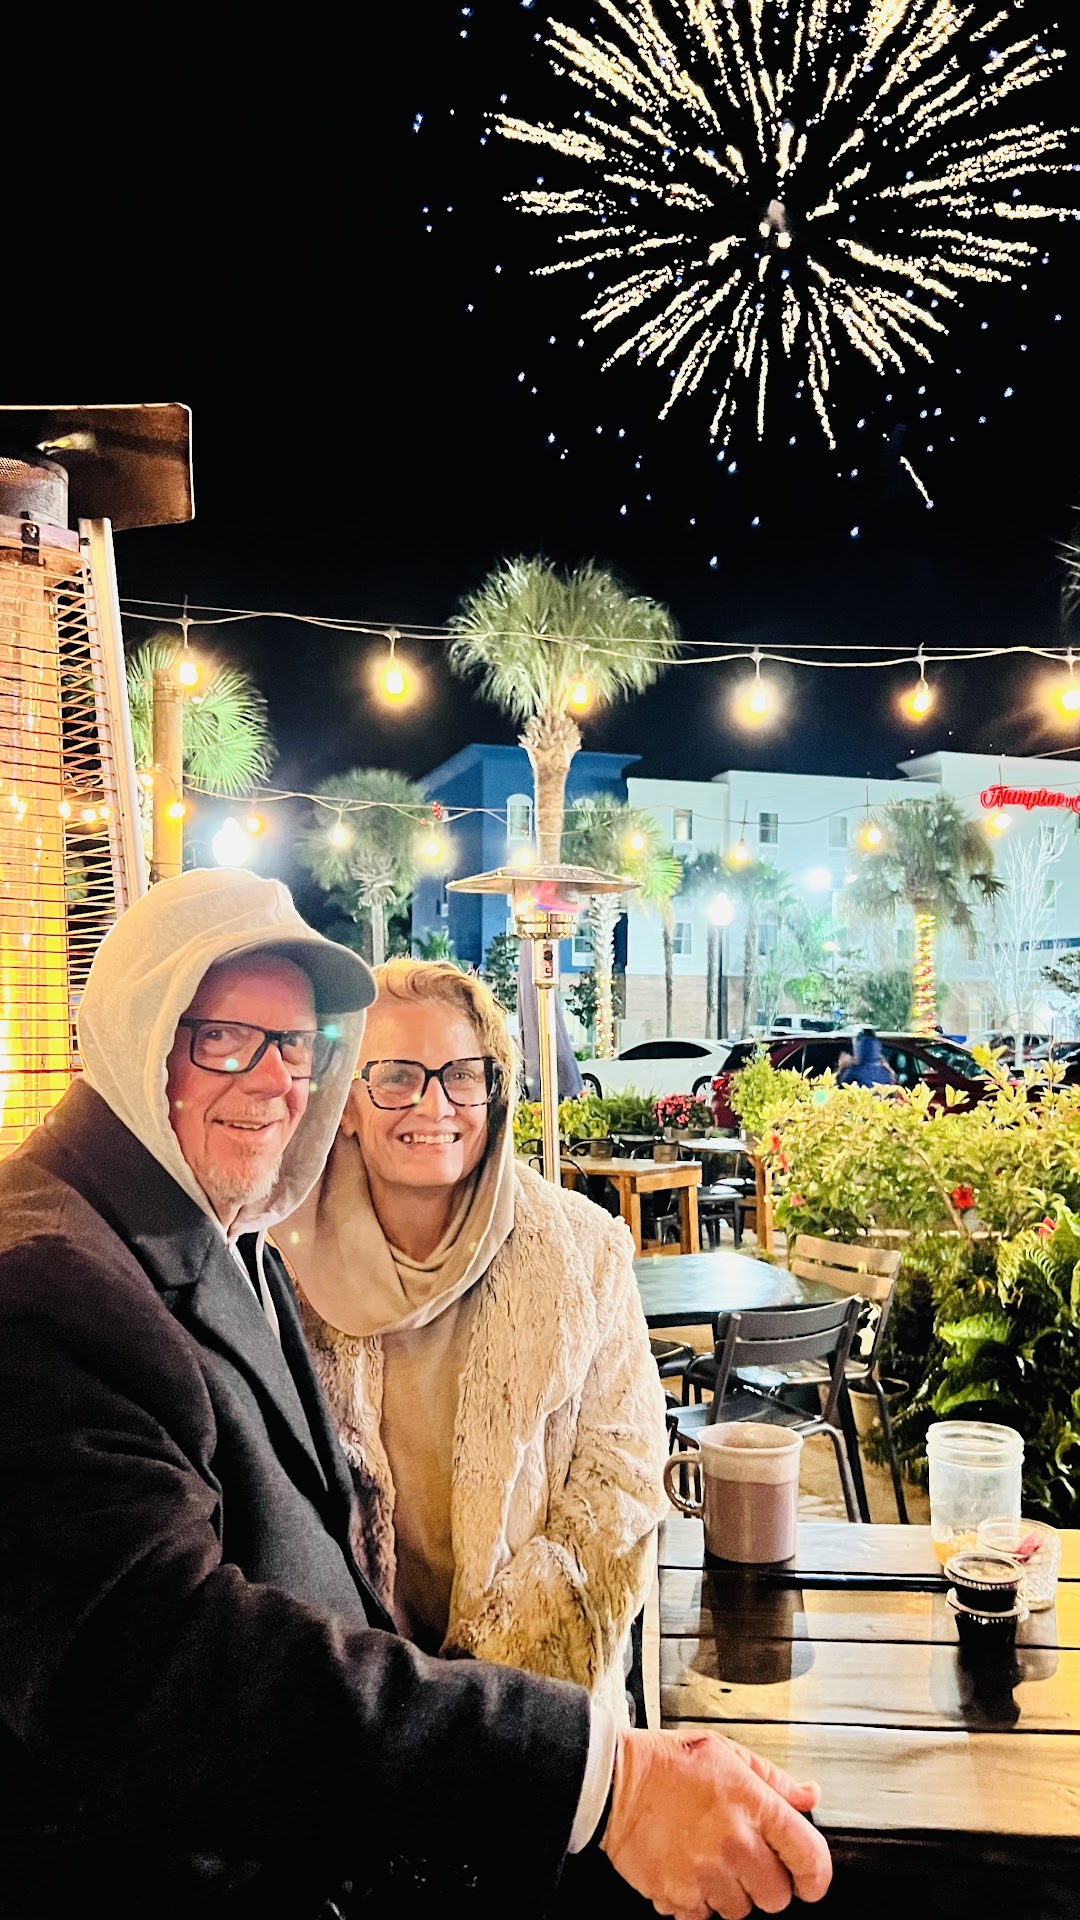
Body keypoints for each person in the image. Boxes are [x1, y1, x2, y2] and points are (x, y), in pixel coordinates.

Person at [0, 868, 832, 1920]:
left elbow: (601, 1492)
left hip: (384, 1806)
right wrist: (598, 1781)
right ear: (135, 1031)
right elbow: (162, 1671)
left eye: (294, 1044)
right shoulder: (47, 1282)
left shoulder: (225, 1233)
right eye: (225, 1038)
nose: (273, 1080)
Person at [279, 959, 666, 1719]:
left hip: (538, 1712)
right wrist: (383, 1705)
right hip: (353, 1714)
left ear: (494, 1092)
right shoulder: (281, 1269)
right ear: (346, 1104)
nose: (435, 1104)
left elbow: (620, 1488)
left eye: (462, 1076)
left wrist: (477, 1701)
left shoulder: (584, 1254)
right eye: (396, 1077)